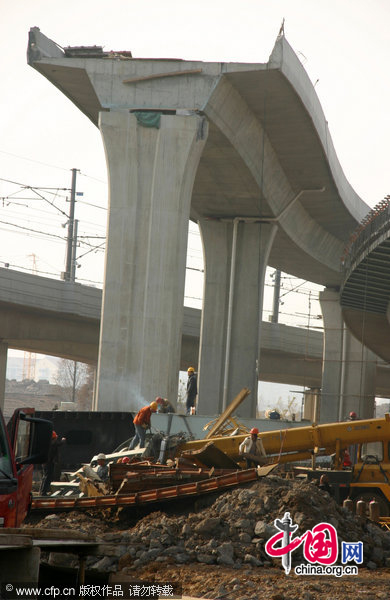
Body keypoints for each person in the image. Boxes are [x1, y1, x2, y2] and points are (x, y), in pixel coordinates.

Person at [40, 430, 66, 496]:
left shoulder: (47, 443)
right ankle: (43, 492)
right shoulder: (52, 443)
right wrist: (63, 440)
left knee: (45, 477)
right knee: (47, 477)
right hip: (49, 463)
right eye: (55, 438)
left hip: (45, 462)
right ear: (53, 438)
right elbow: (59, 444)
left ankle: (42, 491)